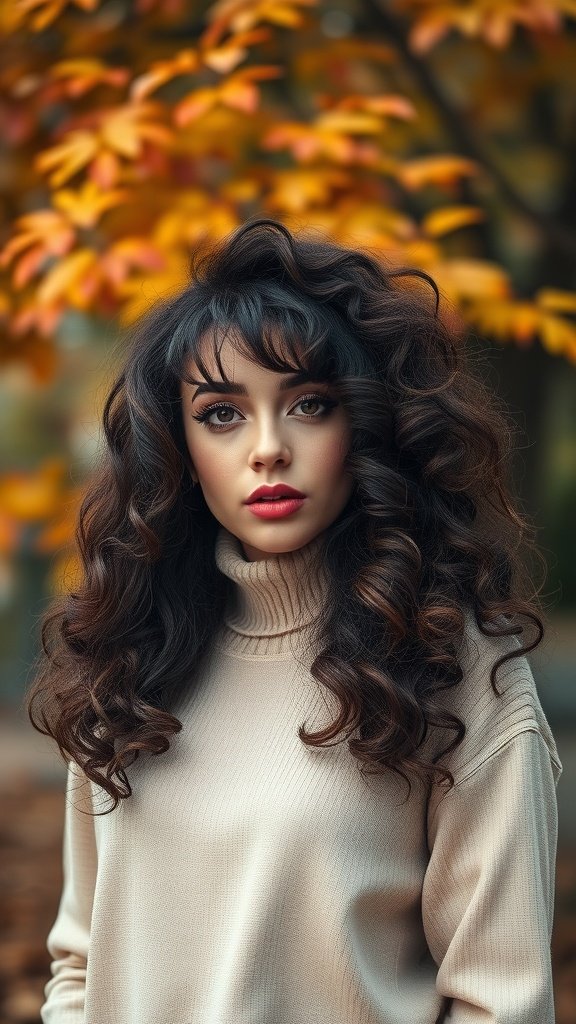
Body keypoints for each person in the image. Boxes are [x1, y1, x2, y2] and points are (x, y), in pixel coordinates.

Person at [27, 218, 563, 1024]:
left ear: (370, 424)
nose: (268, 448)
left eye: (310, 404)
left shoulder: (458, 673)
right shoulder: (128, 655)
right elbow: (81, 965)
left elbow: (501, 1002)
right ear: (175, 444)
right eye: (221, 414)